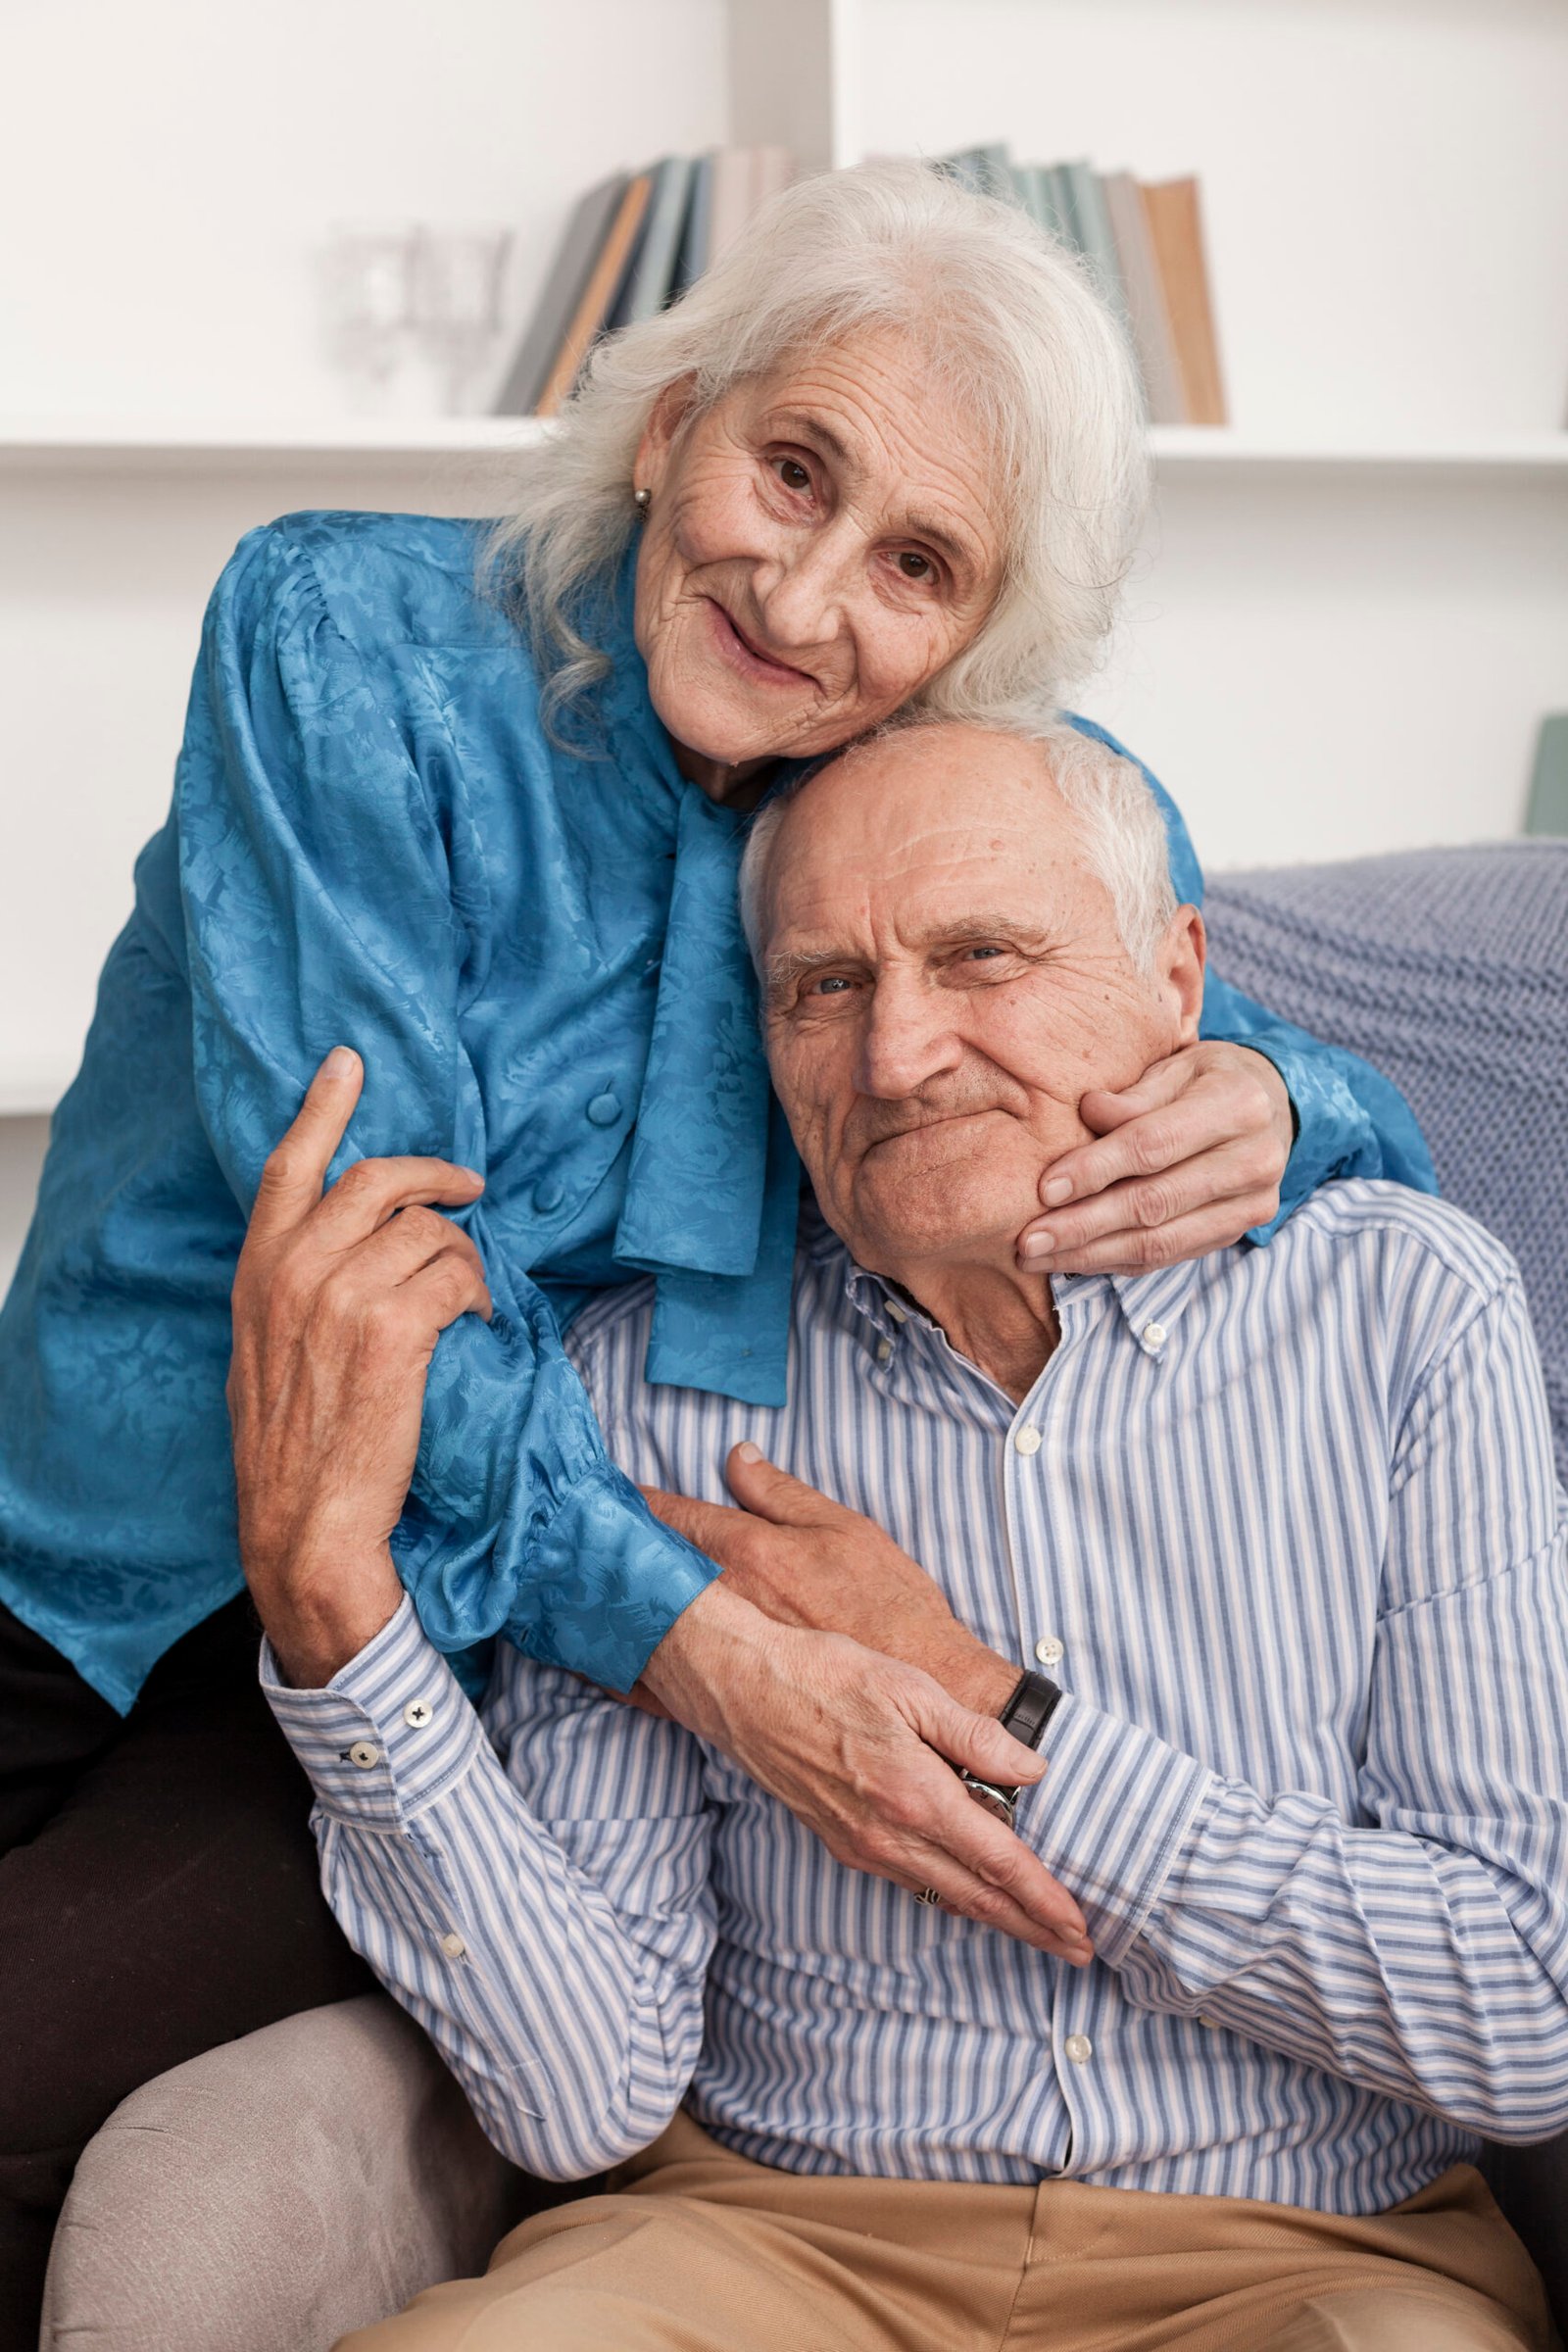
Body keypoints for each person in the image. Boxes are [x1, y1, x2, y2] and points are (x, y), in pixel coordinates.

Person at [0, 165, 1433, 2335]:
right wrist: (723, 1659)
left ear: (975, 642)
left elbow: (1222, 1043)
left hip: (419, 1640)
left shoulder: (926, 803)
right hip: (101, 1521)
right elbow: (400, 1275)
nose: (806, 585)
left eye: (915, 566)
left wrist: (1283, 1101)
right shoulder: (341, 635)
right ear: (675, 420)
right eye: (791, 467)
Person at [243, 718, 1568, 2352]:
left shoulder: (1407, 1307)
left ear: (1178, 979)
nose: (895, 1057)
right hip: (770, 2242)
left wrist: (967, 1695)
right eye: (824, 987)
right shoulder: (641, 1389)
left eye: (981, 955)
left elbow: (1523, 2006)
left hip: (1313, 2245)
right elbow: (581, 2097)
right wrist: (334, 1618)